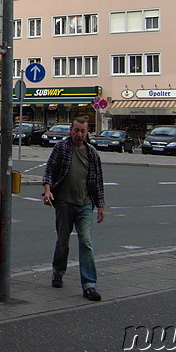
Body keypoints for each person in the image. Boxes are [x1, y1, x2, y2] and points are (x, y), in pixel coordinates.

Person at [42, 116, 105, 302]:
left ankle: (89, 285)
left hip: (85, 204)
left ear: (87, 133)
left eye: (82, 131)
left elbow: (98, 182)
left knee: (86, 242)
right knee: (63, 241)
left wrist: (101, 206)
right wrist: (47, 190)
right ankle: (58, 271)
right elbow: (49, 171)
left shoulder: (92, 153)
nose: (79, 134)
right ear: (71, 130)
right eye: (76, 130)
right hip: (63, 202)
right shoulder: (61, 148)